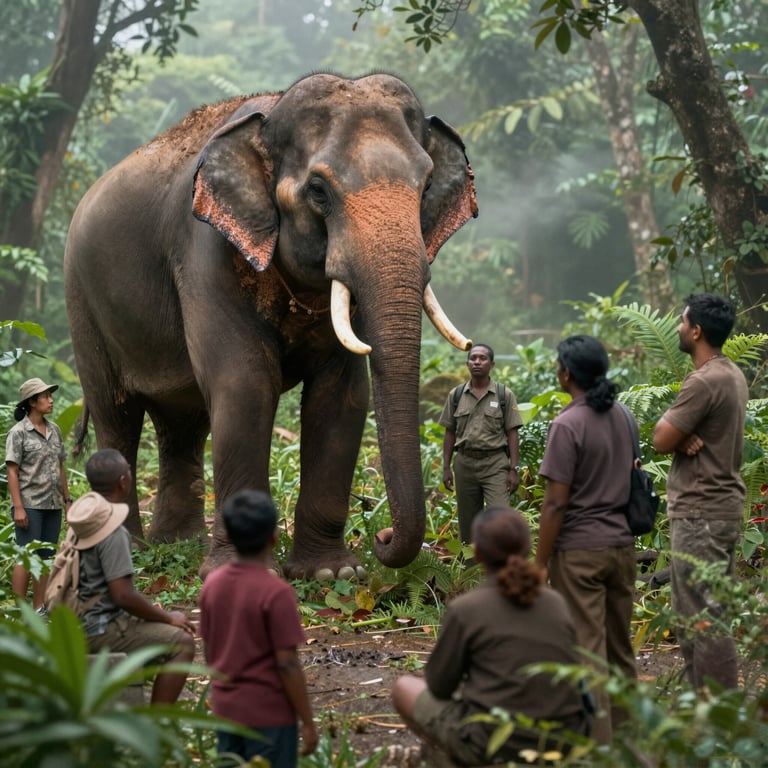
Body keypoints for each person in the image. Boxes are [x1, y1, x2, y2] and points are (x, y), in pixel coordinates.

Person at [392, 505, 588, 766]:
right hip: (560, 745)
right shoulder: (556, 603)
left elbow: (439, 685)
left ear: (477, 553)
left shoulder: (466, 609)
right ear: (527, 548)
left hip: (494, 744)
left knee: (403, 688)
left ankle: (449, 761)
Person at [535, 335, 637, 745]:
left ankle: (599, 745)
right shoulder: (624, 416)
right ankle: (630, 739)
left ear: (566, 373)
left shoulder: (567, 424)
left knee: (589, 652)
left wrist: (540, 562)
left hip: (580, 552)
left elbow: (555, 505)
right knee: (620, 649)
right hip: (622, 546)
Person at [652, 293, 747, 690]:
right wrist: (685, 434)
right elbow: (679, 435)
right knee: (703, 609)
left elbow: (659, 438)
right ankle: (702, 704)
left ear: (696, 331)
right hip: (720, 508)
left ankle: (718, 711)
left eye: (682, 321)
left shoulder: (704, 381)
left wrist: (679, 433)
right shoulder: (732, 373)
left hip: (700, 512)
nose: (677, 326)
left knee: (703, 616)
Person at [199, 489, 318, 767]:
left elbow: (208, 649)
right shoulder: (276, 593)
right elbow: (287, 664)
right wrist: (308, 722)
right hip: (270, 715)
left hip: (226, 710)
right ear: (273, 538)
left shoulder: (212, 585)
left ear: (226, 535)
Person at [69, 448, 196, 704]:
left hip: (77, 620)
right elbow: (123, 595)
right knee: (182, 643)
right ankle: (157, 725)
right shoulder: (112, 530)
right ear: (123, 481)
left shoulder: (84, 522)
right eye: (128, 470)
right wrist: (168, 617)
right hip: (100, 628)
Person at [440, 344, 523, 543]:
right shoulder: (456, 395)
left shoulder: (504, 395)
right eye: (473, 358)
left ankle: (501, 567)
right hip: (465, 464)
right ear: (468, 363)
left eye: (482, 358)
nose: (477, 362)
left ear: (492, 364)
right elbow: (449, 433)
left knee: (501, 518)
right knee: (468, 523)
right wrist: (445, 467)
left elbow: (513, 433)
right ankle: (471, 570)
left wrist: (513, 469)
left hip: (495, 464)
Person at [5, 377, 72, 612]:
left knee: (45, 556)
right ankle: (18, 612)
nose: (51, 400)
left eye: (50, 396)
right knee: (26, 556)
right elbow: (12, 471)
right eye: (45, 397)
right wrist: (19, 507)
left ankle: (39, 608)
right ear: (32, 402)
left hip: (52, 504)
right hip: (29, 505)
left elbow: (61, 467)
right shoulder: (18, 432)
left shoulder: (54, 430)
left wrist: (67, 501)